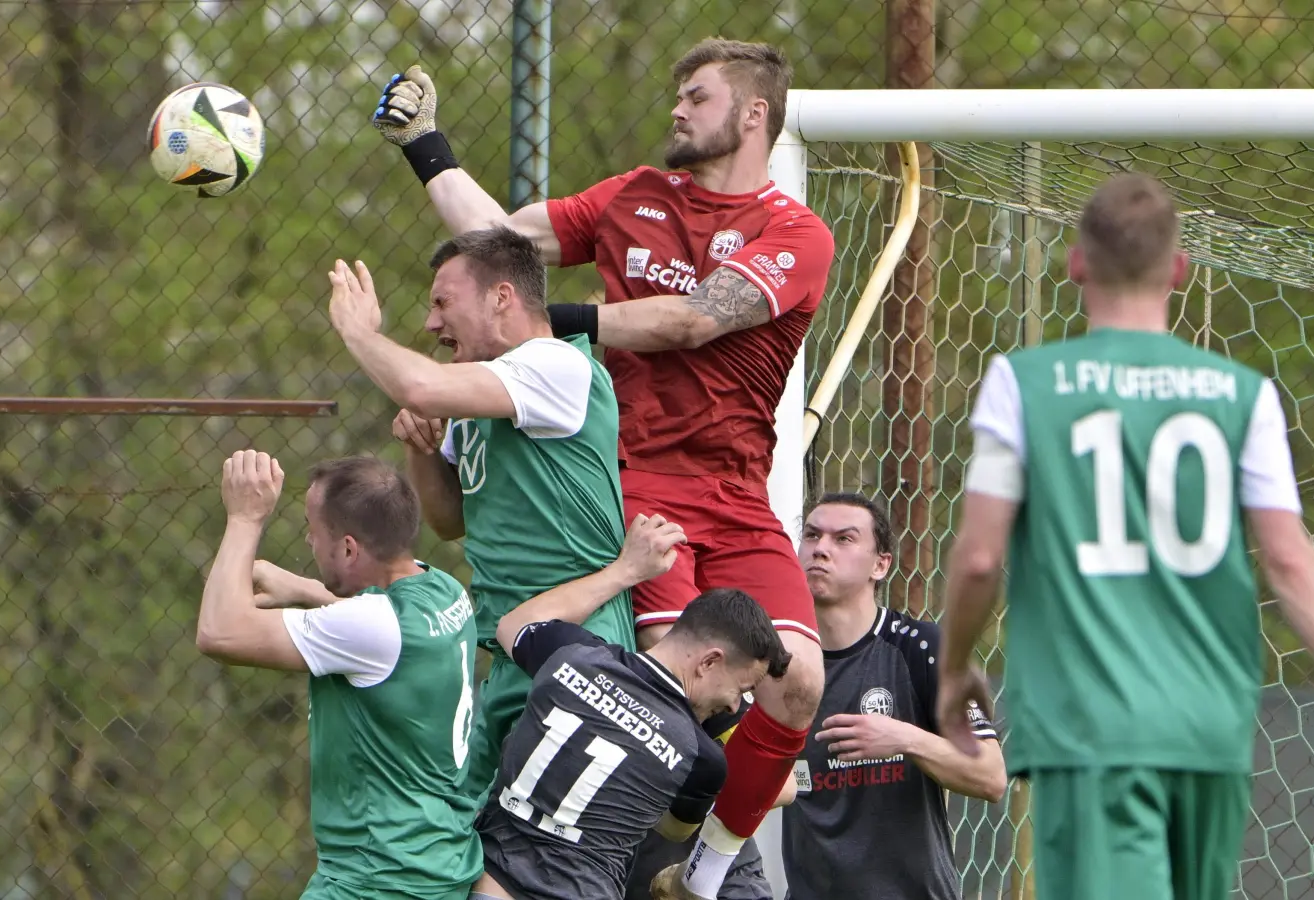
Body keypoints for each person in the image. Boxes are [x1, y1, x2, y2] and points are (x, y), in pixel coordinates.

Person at [372, 39, 834, 898]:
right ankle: (628, 856)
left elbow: (696, 321)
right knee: (669, 676)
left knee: (800, 682)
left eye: (697, 96)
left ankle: (704, 873)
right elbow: (503, 241)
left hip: (737, 490)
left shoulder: (795, 231)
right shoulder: (634, 196)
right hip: (639, 484)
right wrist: (426, 147)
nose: (678, 110)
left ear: (754, 114)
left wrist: (557, 319)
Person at [936, 172, 1314, 900]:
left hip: (1093, 726)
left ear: (1076, 262)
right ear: (1180, 270)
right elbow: (1288, 559)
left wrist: (954, 666)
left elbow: (982, 554)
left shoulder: (1024, 382)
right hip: (1209, 725)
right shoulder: (1245, 394)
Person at [324, 227, 634, 807]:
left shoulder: (555, 365)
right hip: (509, 653)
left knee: (544, 862)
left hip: (576, 646)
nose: (430, 323)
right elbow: (448, 521)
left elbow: (420, 384)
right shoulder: (480, 397)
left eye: (443, 303)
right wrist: (420, 450)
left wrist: (356, 330)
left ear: (502, 298)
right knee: (479, 847)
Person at [195, 450, 483, 900]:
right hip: (435, 862)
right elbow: (386, 635)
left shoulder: (371, 628)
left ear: (349, 548)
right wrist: (308, 590)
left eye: (313, 533)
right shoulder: (442, 590)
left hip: (374, 878)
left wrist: (245, 519)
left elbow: (219, 632)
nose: (310, 543)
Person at [469, 516, 793, 900]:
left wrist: (626, 570)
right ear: (709, 662)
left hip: (491, 884)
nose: (734, 704)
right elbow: (674, 831)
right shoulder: (701, 759)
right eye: (742, 688)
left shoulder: (574, 656)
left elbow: (512, 624)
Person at [784, 492, 1005, 898]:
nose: (821, 549)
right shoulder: (782, 661)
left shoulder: (921, 647)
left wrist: (904, 738)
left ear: (880, 564)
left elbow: (991, 776)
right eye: (812, 535)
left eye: (844, 539)